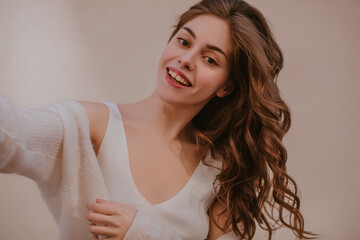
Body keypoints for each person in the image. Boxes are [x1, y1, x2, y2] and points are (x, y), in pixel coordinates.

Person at [0, 0, 315, 239]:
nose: (186, 60)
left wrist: (143, 232)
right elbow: (13, 134)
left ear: (227, 86)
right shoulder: (93, 125)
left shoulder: (222, 170)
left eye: (210, 59)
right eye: (184, 41)